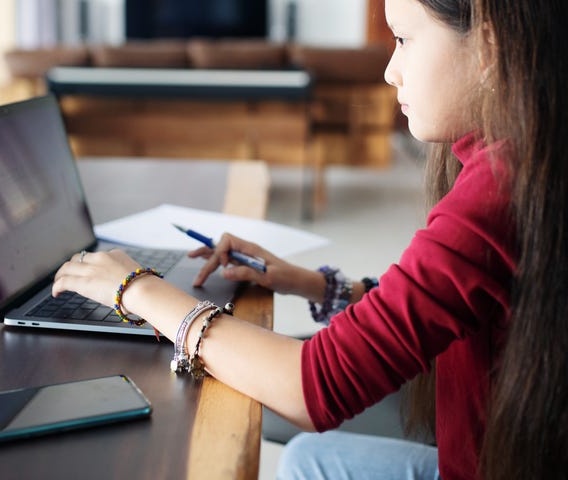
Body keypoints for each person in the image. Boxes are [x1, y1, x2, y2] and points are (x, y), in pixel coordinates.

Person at [52, 0, 568, 477]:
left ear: (490, 45)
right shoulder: (521, 160)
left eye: (404, 39)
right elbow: (443, 305)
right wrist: (314, 285)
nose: (391, 70)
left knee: (298, 451)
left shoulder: (497, 191)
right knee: (303, 454)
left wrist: (138, 290)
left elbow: (314, 386)